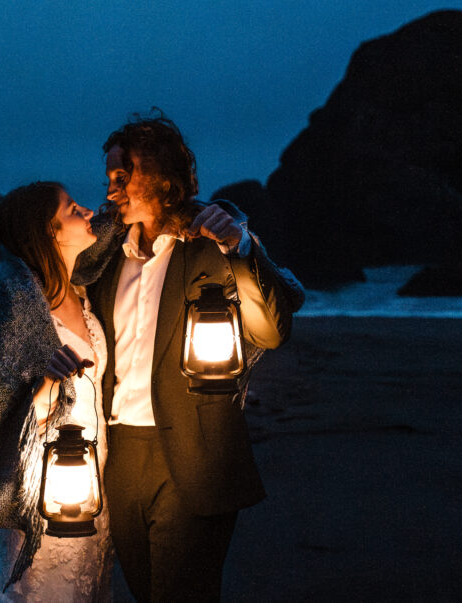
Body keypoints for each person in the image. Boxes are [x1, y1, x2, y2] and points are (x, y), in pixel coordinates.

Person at [73, 113, 304, 602]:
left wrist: (239, 247)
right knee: (144, 590)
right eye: (109, 178)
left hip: (196, 452)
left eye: (122, 177)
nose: (111, 190)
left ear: (159, 175)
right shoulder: (106, 255)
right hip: (119, 456)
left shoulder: (214, 242)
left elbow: (271, 329)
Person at [0, 182, 115, 602]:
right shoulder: (15, 306)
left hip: (92, 483)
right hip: (46, 489)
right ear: (50, 232)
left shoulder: (82, 293)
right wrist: (48, 386)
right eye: (74, 209)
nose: (89, 211)